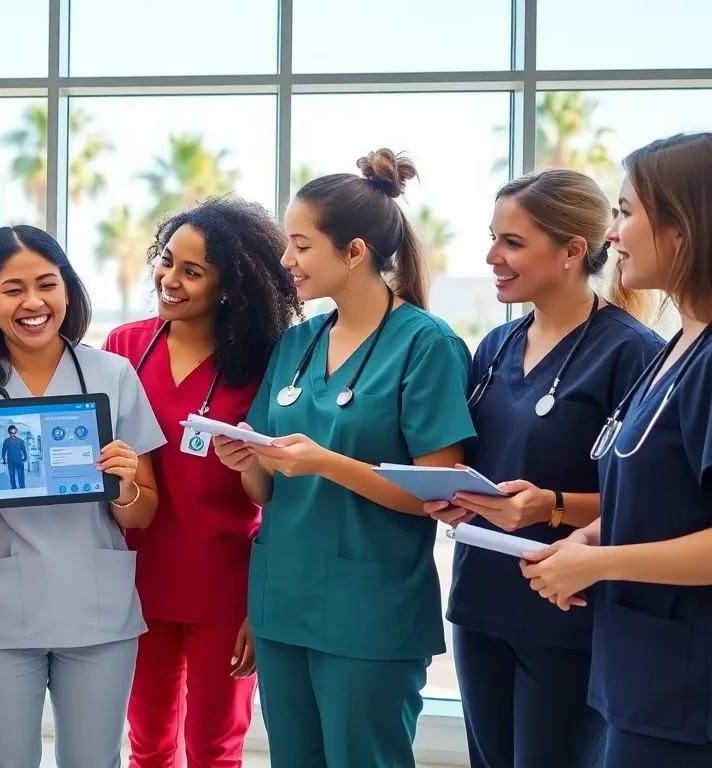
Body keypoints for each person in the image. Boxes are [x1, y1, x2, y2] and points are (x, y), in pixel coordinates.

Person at [213, 150, 477, 768]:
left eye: (301, 245)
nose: (286, 260)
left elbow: (441, 492)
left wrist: (327, 462)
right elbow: (267, 490)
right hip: (284, 602)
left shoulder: (427, 345)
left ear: (354, 252)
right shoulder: (297, 344)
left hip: (370, 613)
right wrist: (246, 460)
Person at [427, 170, 664, 768]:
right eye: (492, 238)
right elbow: (485, 464)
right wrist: (454, 496)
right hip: (481, 603)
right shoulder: (496, 347)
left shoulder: (632, 352)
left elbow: (650, 502)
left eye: (512, 242)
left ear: (572, 250)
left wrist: (552, 506)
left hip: (566, 613)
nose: (492, 257)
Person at [0, 225, 165, 767]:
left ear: (67, 289)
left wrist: (123, 487)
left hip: (97, 613)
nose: (33, 302)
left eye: (47, 284)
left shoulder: (113, 375)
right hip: (1, 616)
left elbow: (143, 511)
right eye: (13, 289)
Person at [522, 132, 712, 766]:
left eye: (626, 213)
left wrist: (601, 563)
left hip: (685, 690)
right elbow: (659, 500)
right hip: (636, 671)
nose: (613, 234)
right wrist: (587, 538)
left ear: (683, 227)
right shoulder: (675, 349)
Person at [102, 195, 301, 768]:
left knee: (215, 748)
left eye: (192, 272)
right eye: (166, 261)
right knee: (147, 746)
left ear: (230, 286)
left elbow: (275, 492)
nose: (169, 280)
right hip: (137, 580)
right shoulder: (124, 347)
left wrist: (260, 607)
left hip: (225, 588)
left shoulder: (266, 363)